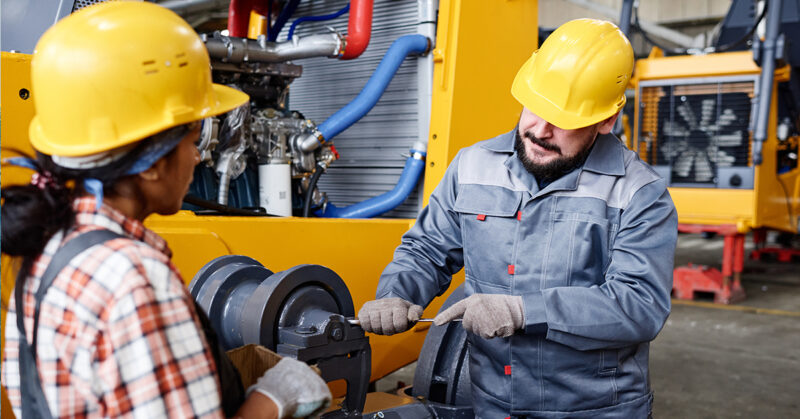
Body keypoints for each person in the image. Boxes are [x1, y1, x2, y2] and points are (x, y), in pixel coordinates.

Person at [0, 2, 330, 418]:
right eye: (193, 140)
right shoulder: (134, 279)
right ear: (153, 162)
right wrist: (274, 398)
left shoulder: (46, 246)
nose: (196, 158)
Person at [357, 18, 678, 418]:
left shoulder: (639, 193)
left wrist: (524, 311)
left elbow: (639, 305)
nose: (539, 129)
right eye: (535, 107)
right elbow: (426, 249)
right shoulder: (471, 166)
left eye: (562, 120)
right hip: (493, 403)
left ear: (605, 121)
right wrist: (397, 293)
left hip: (593, 410)